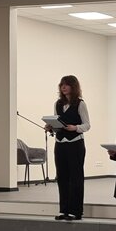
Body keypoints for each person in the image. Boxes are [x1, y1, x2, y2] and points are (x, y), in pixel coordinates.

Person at [44, 75, 90, 221]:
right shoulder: (58, 104)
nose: (63, 87)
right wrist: (51, 127)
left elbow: (87, 125)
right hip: (60, 143)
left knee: (75, 177)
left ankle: (76, 211)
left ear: (73, 86)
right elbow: (57, 124)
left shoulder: (80, 104)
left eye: (66, 84)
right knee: (62, 177)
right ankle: (64, 210)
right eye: (61, 85)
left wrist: (75, 127)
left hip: (75, 143)